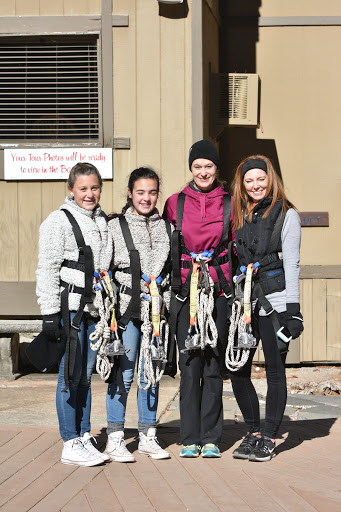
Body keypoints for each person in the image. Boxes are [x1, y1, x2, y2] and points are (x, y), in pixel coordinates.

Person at [36, 162, 113, 467]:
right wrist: (50, 314)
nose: (89, 194)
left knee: (84, 377)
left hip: (96, 310)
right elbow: (47, 269)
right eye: (83, 188)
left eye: (94, 188)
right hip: (70, 310)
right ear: (71, 190)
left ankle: (83, 434)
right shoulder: (58, 222)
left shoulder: (102, 220)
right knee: (69, 376)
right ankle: (69, 441)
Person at [228, 155, 303, 462]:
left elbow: (291, 263)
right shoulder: (240, 216)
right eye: (249, 181)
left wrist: (294, 311)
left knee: (274, 370)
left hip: (276, 301)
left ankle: (270, 436)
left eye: (261, 179)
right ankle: (253, 431)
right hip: (245, 303)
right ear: (242, 185)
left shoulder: (287, 214)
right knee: (237, 369)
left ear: (270, 179)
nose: (256, 185)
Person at [163, 139, 233, 458]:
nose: (203, 172)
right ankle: (190, 436)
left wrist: (221, 278)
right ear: (190, 168)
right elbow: (165, 249)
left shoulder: (230, 203)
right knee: (190, 364)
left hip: (217, 291)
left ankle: (211, 437)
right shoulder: (174, 203)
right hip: (185, 291)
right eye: (197, 166)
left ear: (217, 169)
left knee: (213, 364)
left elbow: (235, 250)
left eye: (209, 166)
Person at [104, 167, 172, 462]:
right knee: (126, 372)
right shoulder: (115, 226)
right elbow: (104, 269)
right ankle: (115, 437)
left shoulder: (167, 227)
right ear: (130, 193)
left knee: (151, 371)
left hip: (157, 312)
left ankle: (148, 435)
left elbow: (170, 271)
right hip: (127, 309)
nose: (146, 198)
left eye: (152, 192)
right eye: (140, 192)